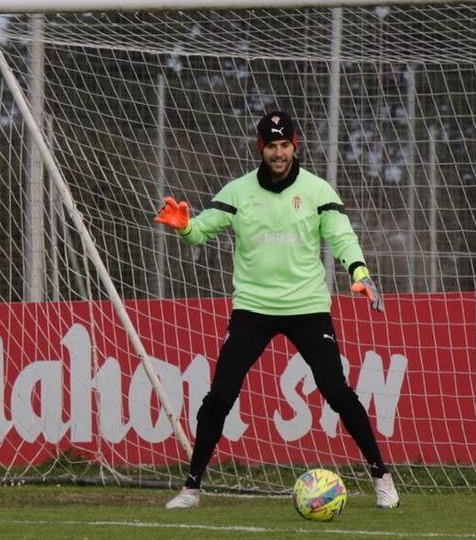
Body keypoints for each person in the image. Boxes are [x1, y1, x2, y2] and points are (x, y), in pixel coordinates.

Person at [153, 108, 399, 510]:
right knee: (220, 396)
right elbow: (201, 231)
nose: (279, 153)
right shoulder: (238, 192)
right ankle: (192, 489)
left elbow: (343, 238)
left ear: (295, 146)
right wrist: (185, 227)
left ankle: (382, 479)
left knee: (337, 392)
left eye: (285, 145)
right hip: (253, 308)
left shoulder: (319, 192)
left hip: (307, 307)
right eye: (272, 146)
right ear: (260, 148)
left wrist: (360, 272)